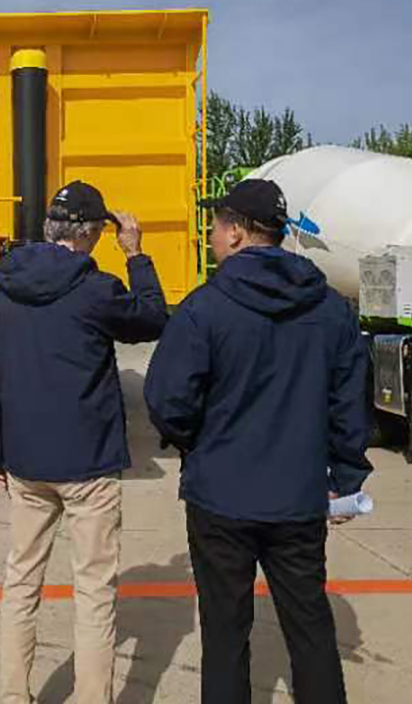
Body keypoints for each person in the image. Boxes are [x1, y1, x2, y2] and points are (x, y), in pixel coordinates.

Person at [143, 179, 372, 704]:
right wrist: (346, 478)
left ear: (238, 233)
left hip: (220, 497)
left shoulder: (204, 308)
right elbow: (349, 405)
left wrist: (198, 444)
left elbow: (167, 400)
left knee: (225, 634)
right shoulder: (330, 309)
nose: (211, 235)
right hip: (298, 497)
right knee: (310, 627)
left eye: (216, 225)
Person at [0, 180, 168, 704]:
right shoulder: (96, 289)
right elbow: (152, 318)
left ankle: (14, 696)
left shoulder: (1, 291)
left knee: (21, 582)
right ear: (88, 233)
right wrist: (136, 254)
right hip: (88, 463)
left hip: (26, 463)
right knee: (94, 592)